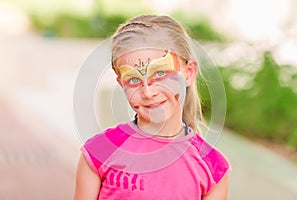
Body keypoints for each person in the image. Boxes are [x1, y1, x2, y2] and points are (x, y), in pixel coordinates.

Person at [74, 14, 230, 200]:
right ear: (121, 84)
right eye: (133, 79)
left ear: (188, 73)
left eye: (161, 73)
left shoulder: (214, 168)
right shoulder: (99, 151)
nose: (148, 92)